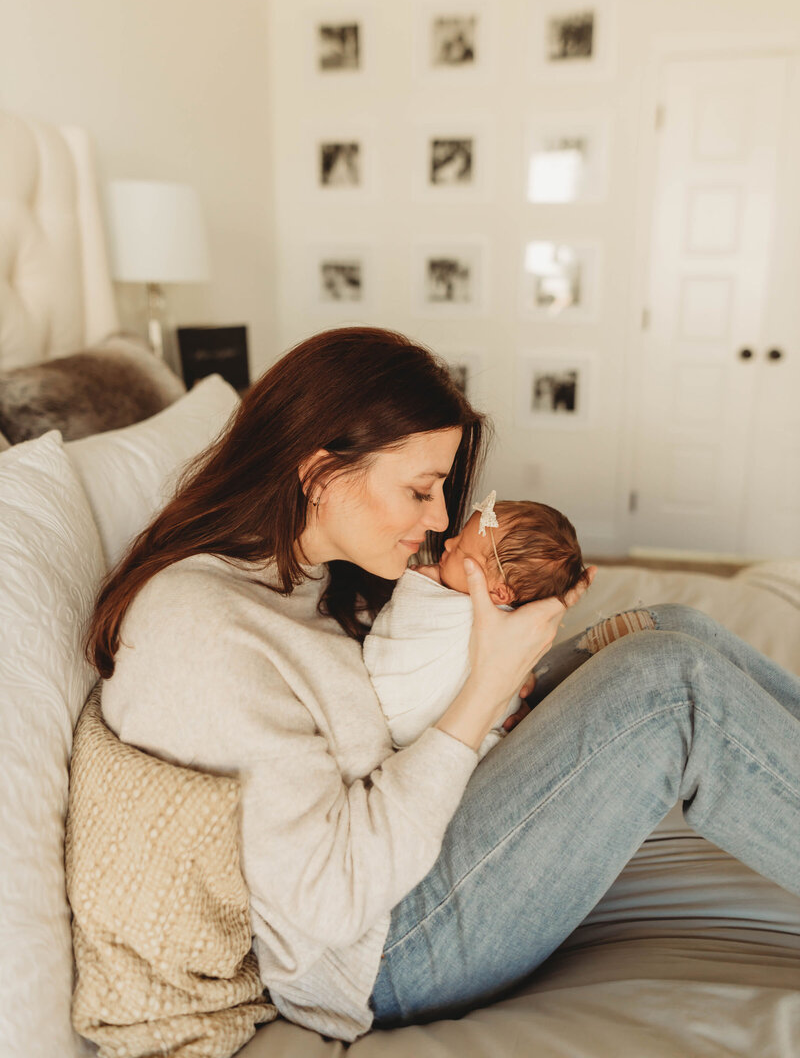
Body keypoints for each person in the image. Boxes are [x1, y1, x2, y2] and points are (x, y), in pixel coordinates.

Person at [84, 325, 800, 1042]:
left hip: (422, 842)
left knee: (660, 626)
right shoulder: (203, 633)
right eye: (421, 490)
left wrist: (496, 671)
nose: (439, 519)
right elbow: (329, 901)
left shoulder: (297, 576)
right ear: (319, 473)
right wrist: (483, 693)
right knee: (669, 687)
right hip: (379, 951)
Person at [364, 493, 591, 760]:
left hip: (427, 725)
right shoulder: (455, 603)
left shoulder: (491, 617)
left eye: (460, 548)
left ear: (500, 594)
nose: (448, 543)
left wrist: (420, 581)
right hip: (425, 728)